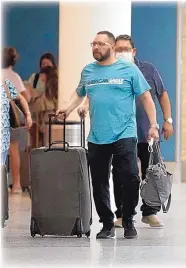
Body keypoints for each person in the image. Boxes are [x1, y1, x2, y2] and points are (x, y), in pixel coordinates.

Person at [56, 31, 159, 240]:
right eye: (93, 44)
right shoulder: (88, 71)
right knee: (99, 181)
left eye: (100, 44)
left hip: (125, 132)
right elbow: (79, 92)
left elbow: (146, 97)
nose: (95, 47)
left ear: (112, 47)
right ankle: (107, 223)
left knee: (130, 176)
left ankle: (128, 218)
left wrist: (154, 124)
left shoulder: (128, 69)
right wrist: (67, 109)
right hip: (97, 136)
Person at [78, 34, 174, 228]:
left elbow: (161, 94)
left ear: (133, 51)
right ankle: (121, 213)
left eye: (125, 49)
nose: (121, 52)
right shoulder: (107, 71)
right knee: (120, 174)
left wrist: (167, 121)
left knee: (151, 171)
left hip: (146, 132)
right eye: (118, 48)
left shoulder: (147, 69)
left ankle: (150, 211)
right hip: (122, 132)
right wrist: (85, 105)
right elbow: (96, 91)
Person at [2, 47, 32, 193]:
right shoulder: (12, 77)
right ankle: (17, 185)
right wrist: (27, 115)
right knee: (14, 150)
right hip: (9, 120)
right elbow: (24, 97)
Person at [1, 79, 32, 171]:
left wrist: (28, 115)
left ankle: (16, 184)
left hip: (8, 126)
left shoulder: (4, 82)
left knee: (13, 152)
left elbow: (21, 98)